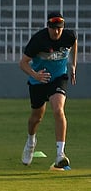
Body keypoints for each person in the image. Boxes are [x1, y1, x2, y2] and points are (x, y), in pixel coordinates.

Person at [19, 12, 78, 169]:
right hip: (39, 80)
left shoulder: (69, 36)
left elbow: (74, 44)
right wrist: (35, 75)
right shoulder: (38, 40)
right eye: (53, 29)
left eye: (59, 29)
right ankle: (31, 141)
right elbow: (23, 63)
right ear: (48, 27)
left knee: (58, 109)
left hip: (58, 77)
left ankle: (60, 154)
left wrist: (72, 65)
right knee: (36, 118)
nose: (56, 32)